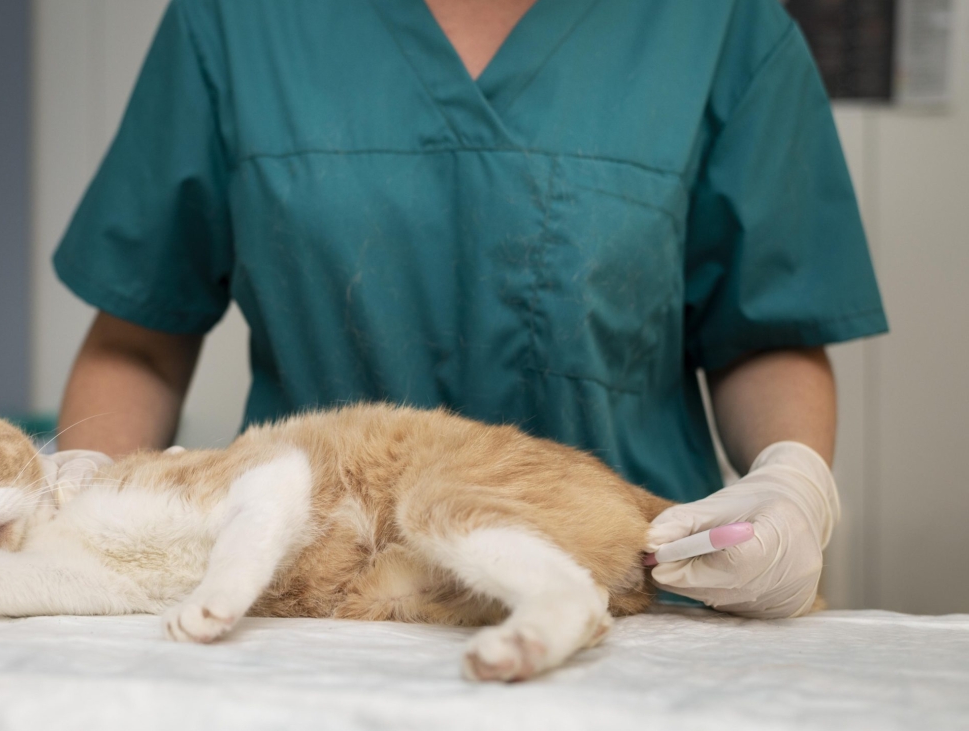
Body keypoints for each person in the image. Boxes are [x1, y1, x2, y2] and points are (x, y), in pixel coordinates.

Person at [51, 0, 886, 619]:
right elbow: (141, 340)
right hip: (312, 611)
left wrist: (792, 483)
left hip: (633, 603)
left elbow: (762, 333)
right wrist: (82, 503)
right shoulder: (236, 22)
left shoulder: (720, 27)